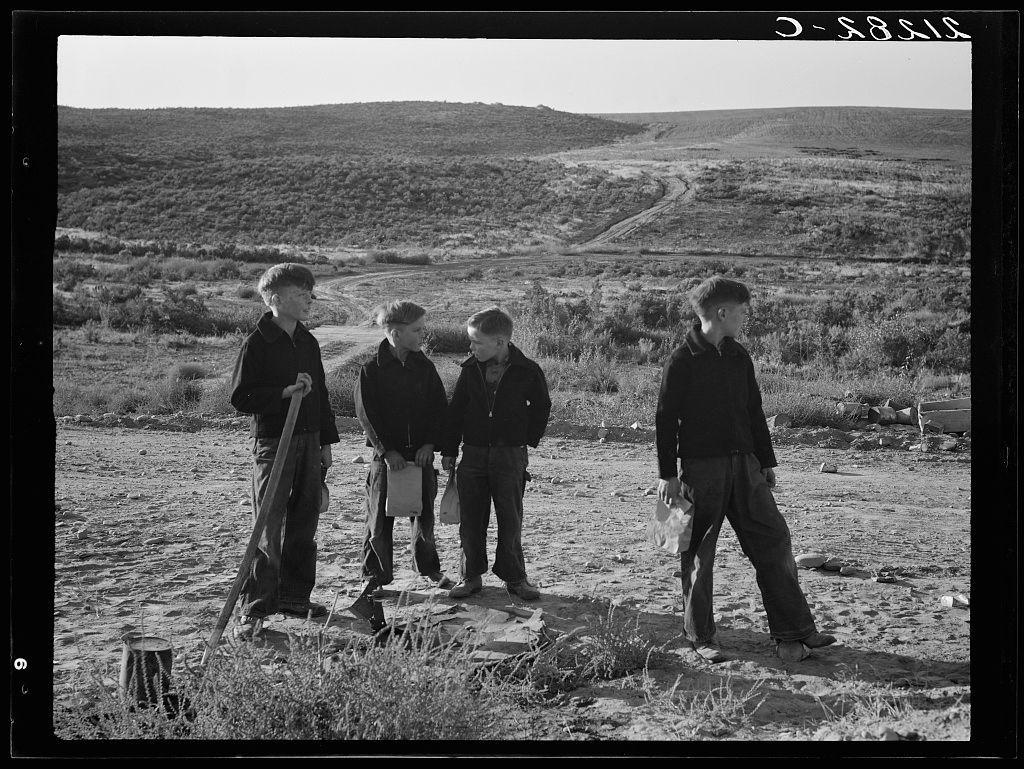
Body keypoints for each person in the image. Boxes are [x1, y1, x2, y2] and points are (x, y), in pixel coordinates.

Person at [654, 275, 836, 662]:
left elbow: (754, 410)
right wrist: (667, 474)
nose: (744, 319)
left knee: (774, 540)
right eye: (741, 313)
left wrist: (765, 461)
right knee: (698, 553)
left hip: (746, 467)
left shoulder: (739, 356)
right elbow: (665, 419)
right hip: (702, 471)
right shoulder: (682, 359)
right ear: (721, 313)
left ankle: (795, 631)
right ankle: (701, 637)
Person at [230, 263, 339, 639]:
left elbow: (321, 393)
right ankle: (256, 608)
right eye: (299, 294)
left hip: (309, 439)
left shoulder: (308, 341)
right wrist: (282, 393)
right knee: (268, 525)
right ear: (274, 299)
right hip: (273, 441)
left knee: (305, 521)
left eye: (309, 293)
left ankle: (295, 597)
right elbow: (241, 397)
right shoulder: (257, 343)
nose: (308, 299)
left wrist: (326, 441)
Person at [441, 307, 551, 601]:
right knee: (471, 520)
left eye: (477, 342)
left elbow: (541, 407)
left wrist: (524, 440)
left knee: (510, 518)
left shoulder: (528, 370)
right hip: (473, 455)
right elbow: (455, 412)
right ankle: (470, 575)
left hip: (510, 456)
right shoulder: (469, 370)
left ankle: (515, 578)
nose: (471, 347)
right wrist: (450, 450)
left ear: (500, 342)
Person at [354, 301, 453, 597]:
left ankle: (429, 569)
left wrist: (430, 444)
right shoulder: (371, 370)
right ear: (396, 333)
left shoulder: (426, 368)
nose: (423, 334)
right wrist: (387, 451)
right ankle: (373, 576)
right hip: (385, 461)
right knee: (378, 520)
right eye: (417, 330)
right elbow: (367, 415)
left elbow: (439, 409)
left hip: (420, 458)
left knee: (423, 517)